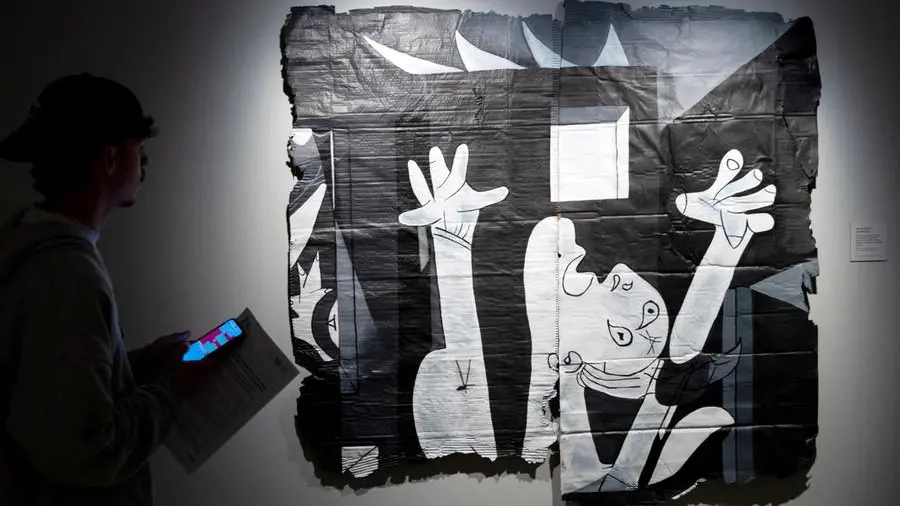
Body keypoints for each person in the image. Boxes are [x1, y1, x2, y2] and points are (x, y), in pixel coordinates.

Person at [0, 73, 219, 505]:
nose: (146, 163)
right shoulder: (65, 274)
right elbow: (85, 452)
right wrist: (175, 387)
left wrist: (139, 365)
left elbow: (52, 392)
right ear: (111, 159)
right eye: (140, 149)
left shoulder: (35, 250)